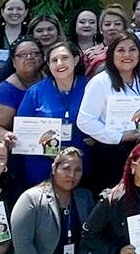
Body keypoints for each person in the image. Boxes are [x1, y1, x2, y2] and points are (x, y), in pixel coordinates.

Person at [77, 34, 140, 195]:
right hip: (110, 155)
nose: (127, 55)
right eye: (121, 50)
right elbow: (84, 120)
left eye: (132, 50)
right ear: (111, 54)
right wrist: (119, 136)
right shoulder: (100, 82)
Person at [16, 41, 89, 185]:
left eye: (65, 58)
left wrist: (96, 137)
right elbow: (22, 131)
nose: (60, 63)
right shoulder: (35, 92)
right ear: (48, 65)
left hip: (80, 165)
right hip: (42, 165)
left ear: (75, 60)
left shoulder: (91, 87)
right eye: (54, 60)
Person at [0, 38, 43, 142]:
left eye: (35, 53)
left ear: (42, 57)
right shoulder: (4, 92)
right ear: (14, 62)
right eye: (22, 55)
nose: (29, 57)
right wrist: (4, 134)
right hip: (18, 149)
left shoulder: (54, 83)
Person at [82, 5, 129, 76]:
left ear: (124, 28)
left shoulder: (133, 51)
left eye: (117, 24)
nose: (112, 27)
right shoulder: (90, 53)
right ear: (101, 29)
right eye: (107, 24)